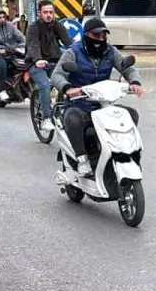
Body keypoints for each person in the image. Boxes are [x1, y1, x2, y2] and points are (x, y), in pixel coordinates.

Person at [49, 18, 144, 178]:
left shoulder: (110, 51)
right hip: (80, 104)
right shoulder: (73, 52)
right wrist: (68, 88)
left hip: (103, 105)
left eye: (103, 36)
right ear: (86, 35)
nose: (100, 39)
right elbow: (57, 75)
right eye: (96, 35)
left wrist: (134, 82)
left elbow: (127, 67)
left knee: (130, 114)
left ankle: (124, 152)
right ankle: (82, 159)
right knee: (72, 118)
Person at [25, 0, 73, 135]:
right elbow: (33, 45)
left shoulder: (57, 26)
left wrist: (80, 53)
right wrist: (37, 59)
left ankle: (68, 111)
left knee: (70, 81)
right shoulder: (33, 28)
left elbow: (68, 43)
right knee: (44, 85)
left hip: (54, 62)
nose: (48, 15)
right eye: (45, 12)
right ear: (39, 13)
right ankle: (46, 118)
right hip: (36, 64)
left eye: (51, 12)